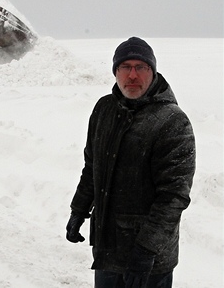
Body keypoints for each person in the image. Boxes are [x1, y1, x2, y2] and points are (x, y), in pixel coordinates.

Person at [66, 37, 195, 288]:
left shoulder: (172, 121)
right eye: (125, 67)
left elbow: (173, 196)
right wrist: (78, 210)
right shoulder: (103, 109)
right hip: (108, 249)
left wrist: (146, 250)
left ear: (152, 72)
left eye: (141, 67)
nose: (132, 75)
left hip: (149, 261)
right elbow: (92, 167)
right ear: (116, 72)